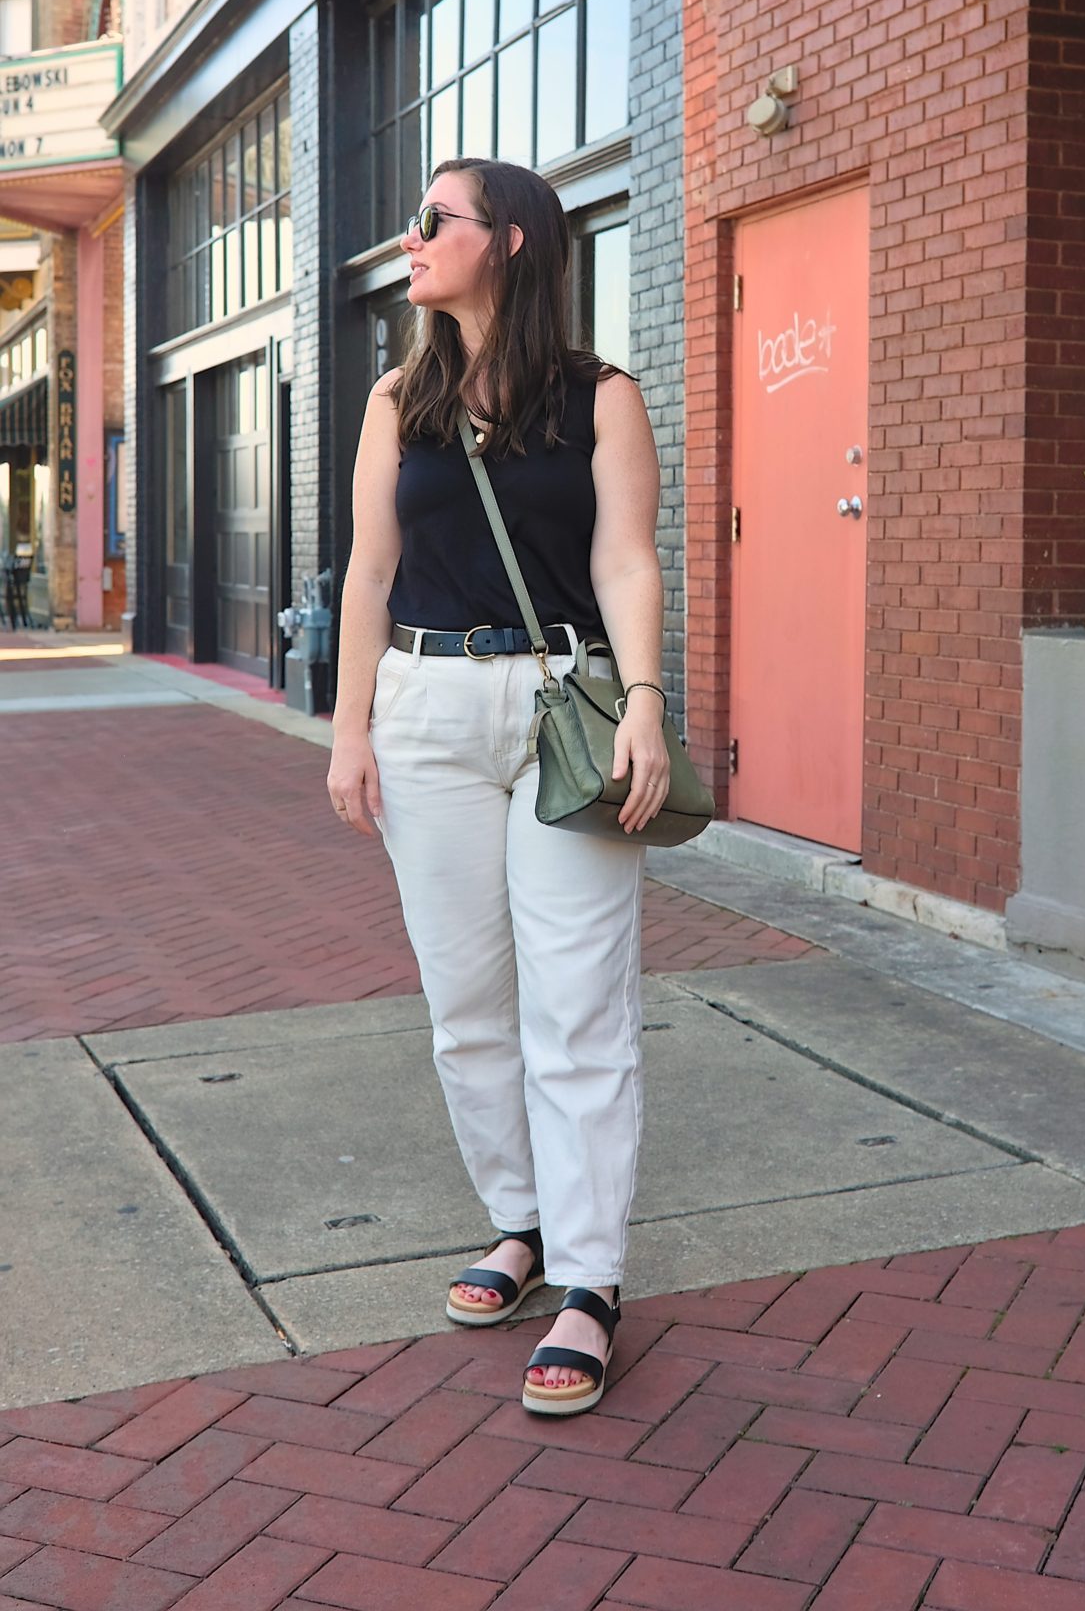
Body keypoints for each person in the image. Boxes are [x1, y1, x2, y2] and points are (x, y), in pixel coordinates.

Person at [326, 156, 669, 1416]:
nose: (410, 238)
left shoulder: (601, 398)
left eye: (433, 220)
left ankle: (590, 1278)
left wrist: (645, 701)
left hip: (563, 710)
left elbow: (625, 561)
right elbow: (368, 575)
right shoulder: (395, 401)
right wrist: (349, 726)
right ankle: (516, 1223)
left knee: (577, 1005)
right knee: (467, 1000)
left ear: (511, 241)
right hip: (425, 712)